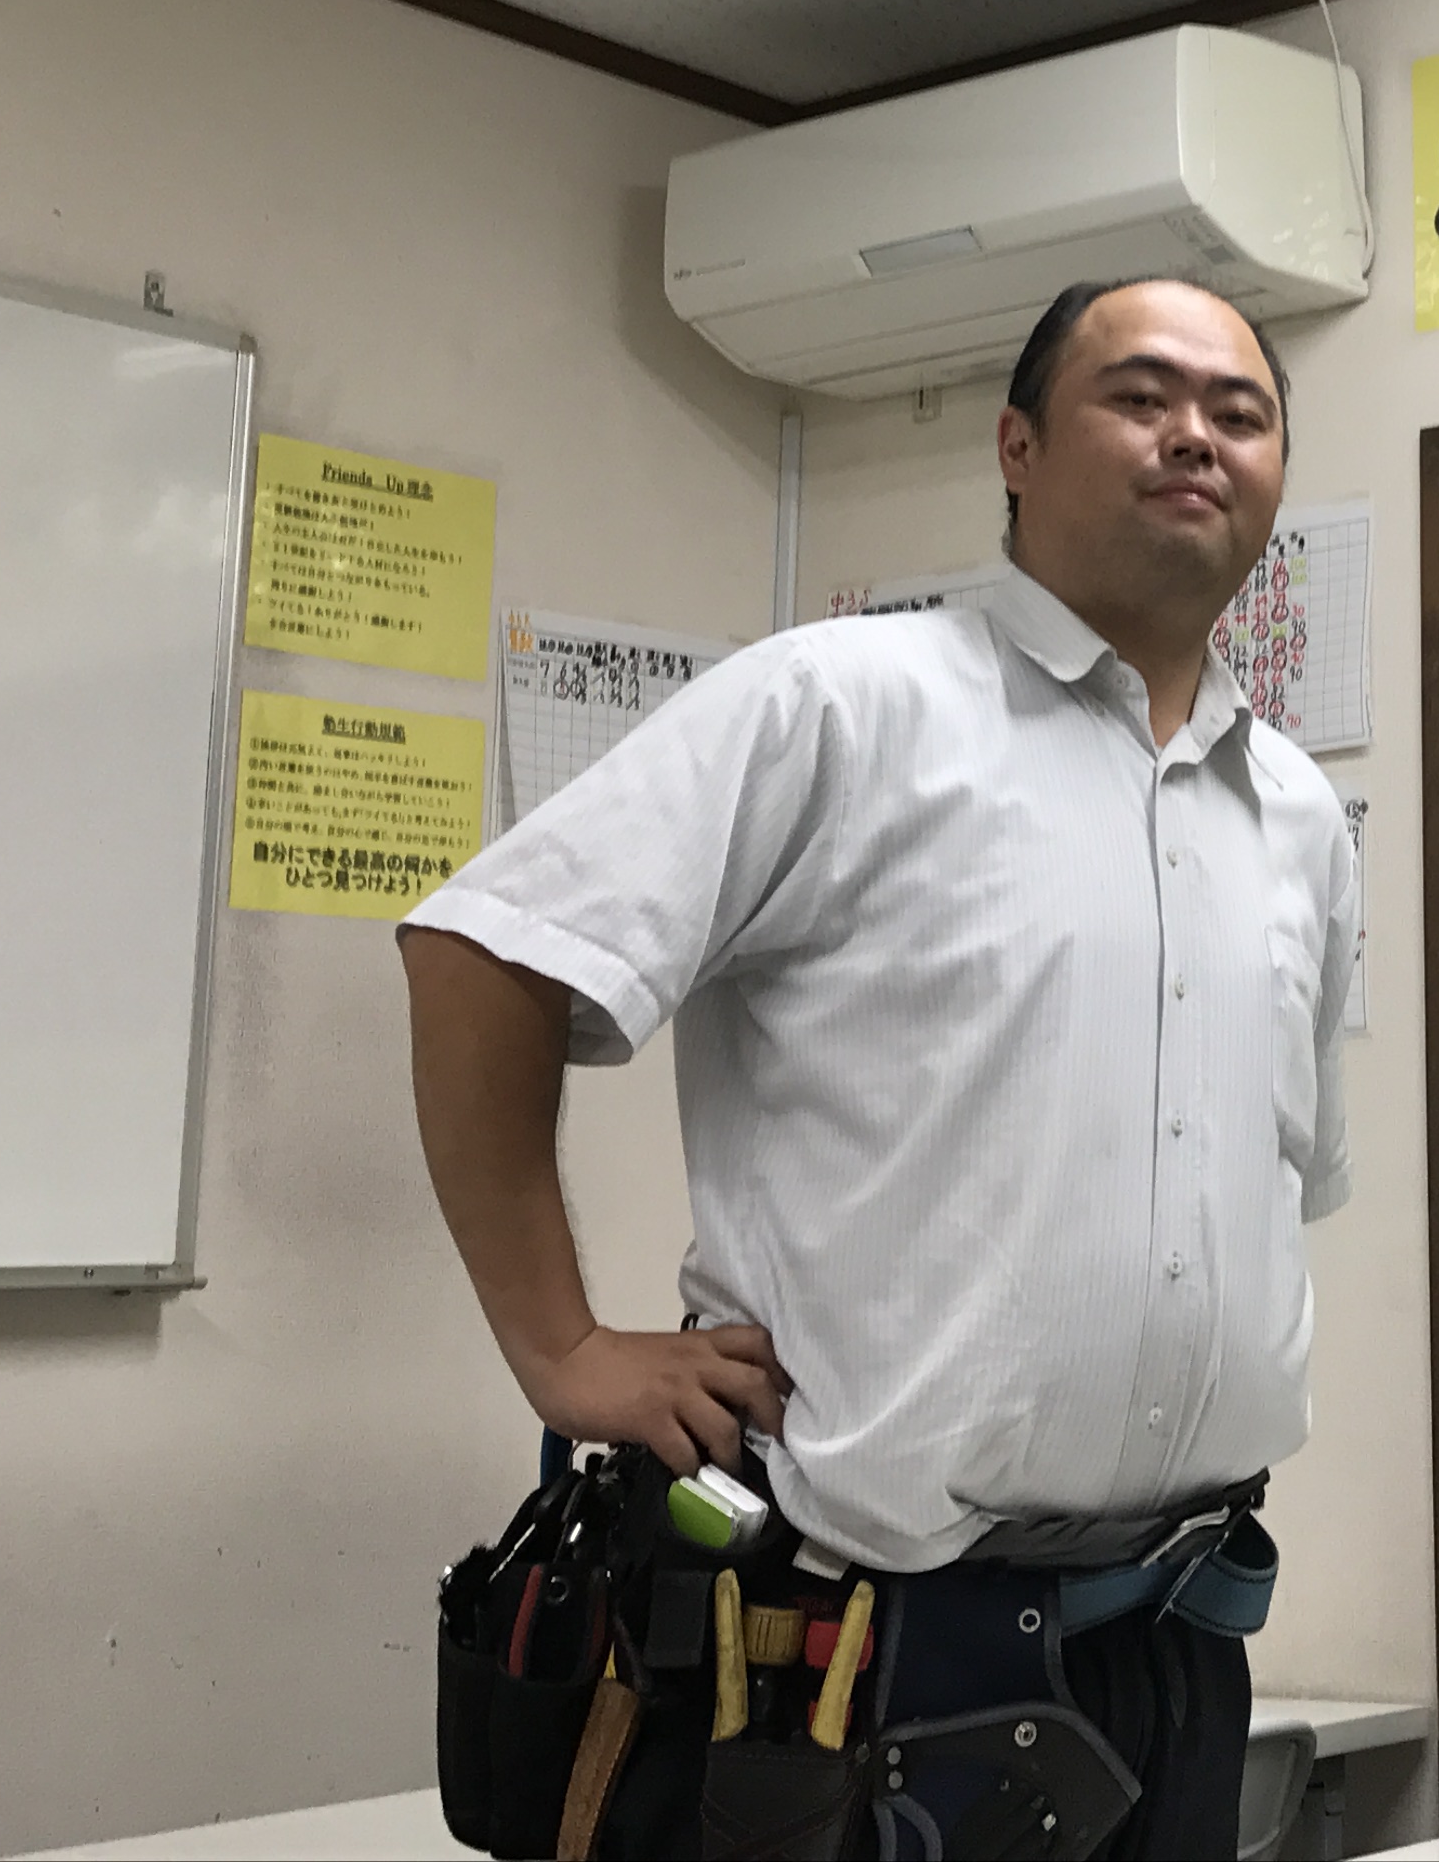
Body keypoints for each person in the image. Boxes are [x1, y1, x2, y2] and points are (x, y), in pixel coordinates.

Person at [399, 275, 1356, 1860]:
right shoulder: (845, 705)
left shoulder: (1299, 818)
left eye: (1239, 413)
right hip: (853, 1657)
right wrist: (562, 1346)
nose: (1195, 435)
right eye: (1140, 395)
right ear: (1018, 449)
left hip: (1174, 1641)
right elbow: (483, 953)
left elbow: (1272, 1182)